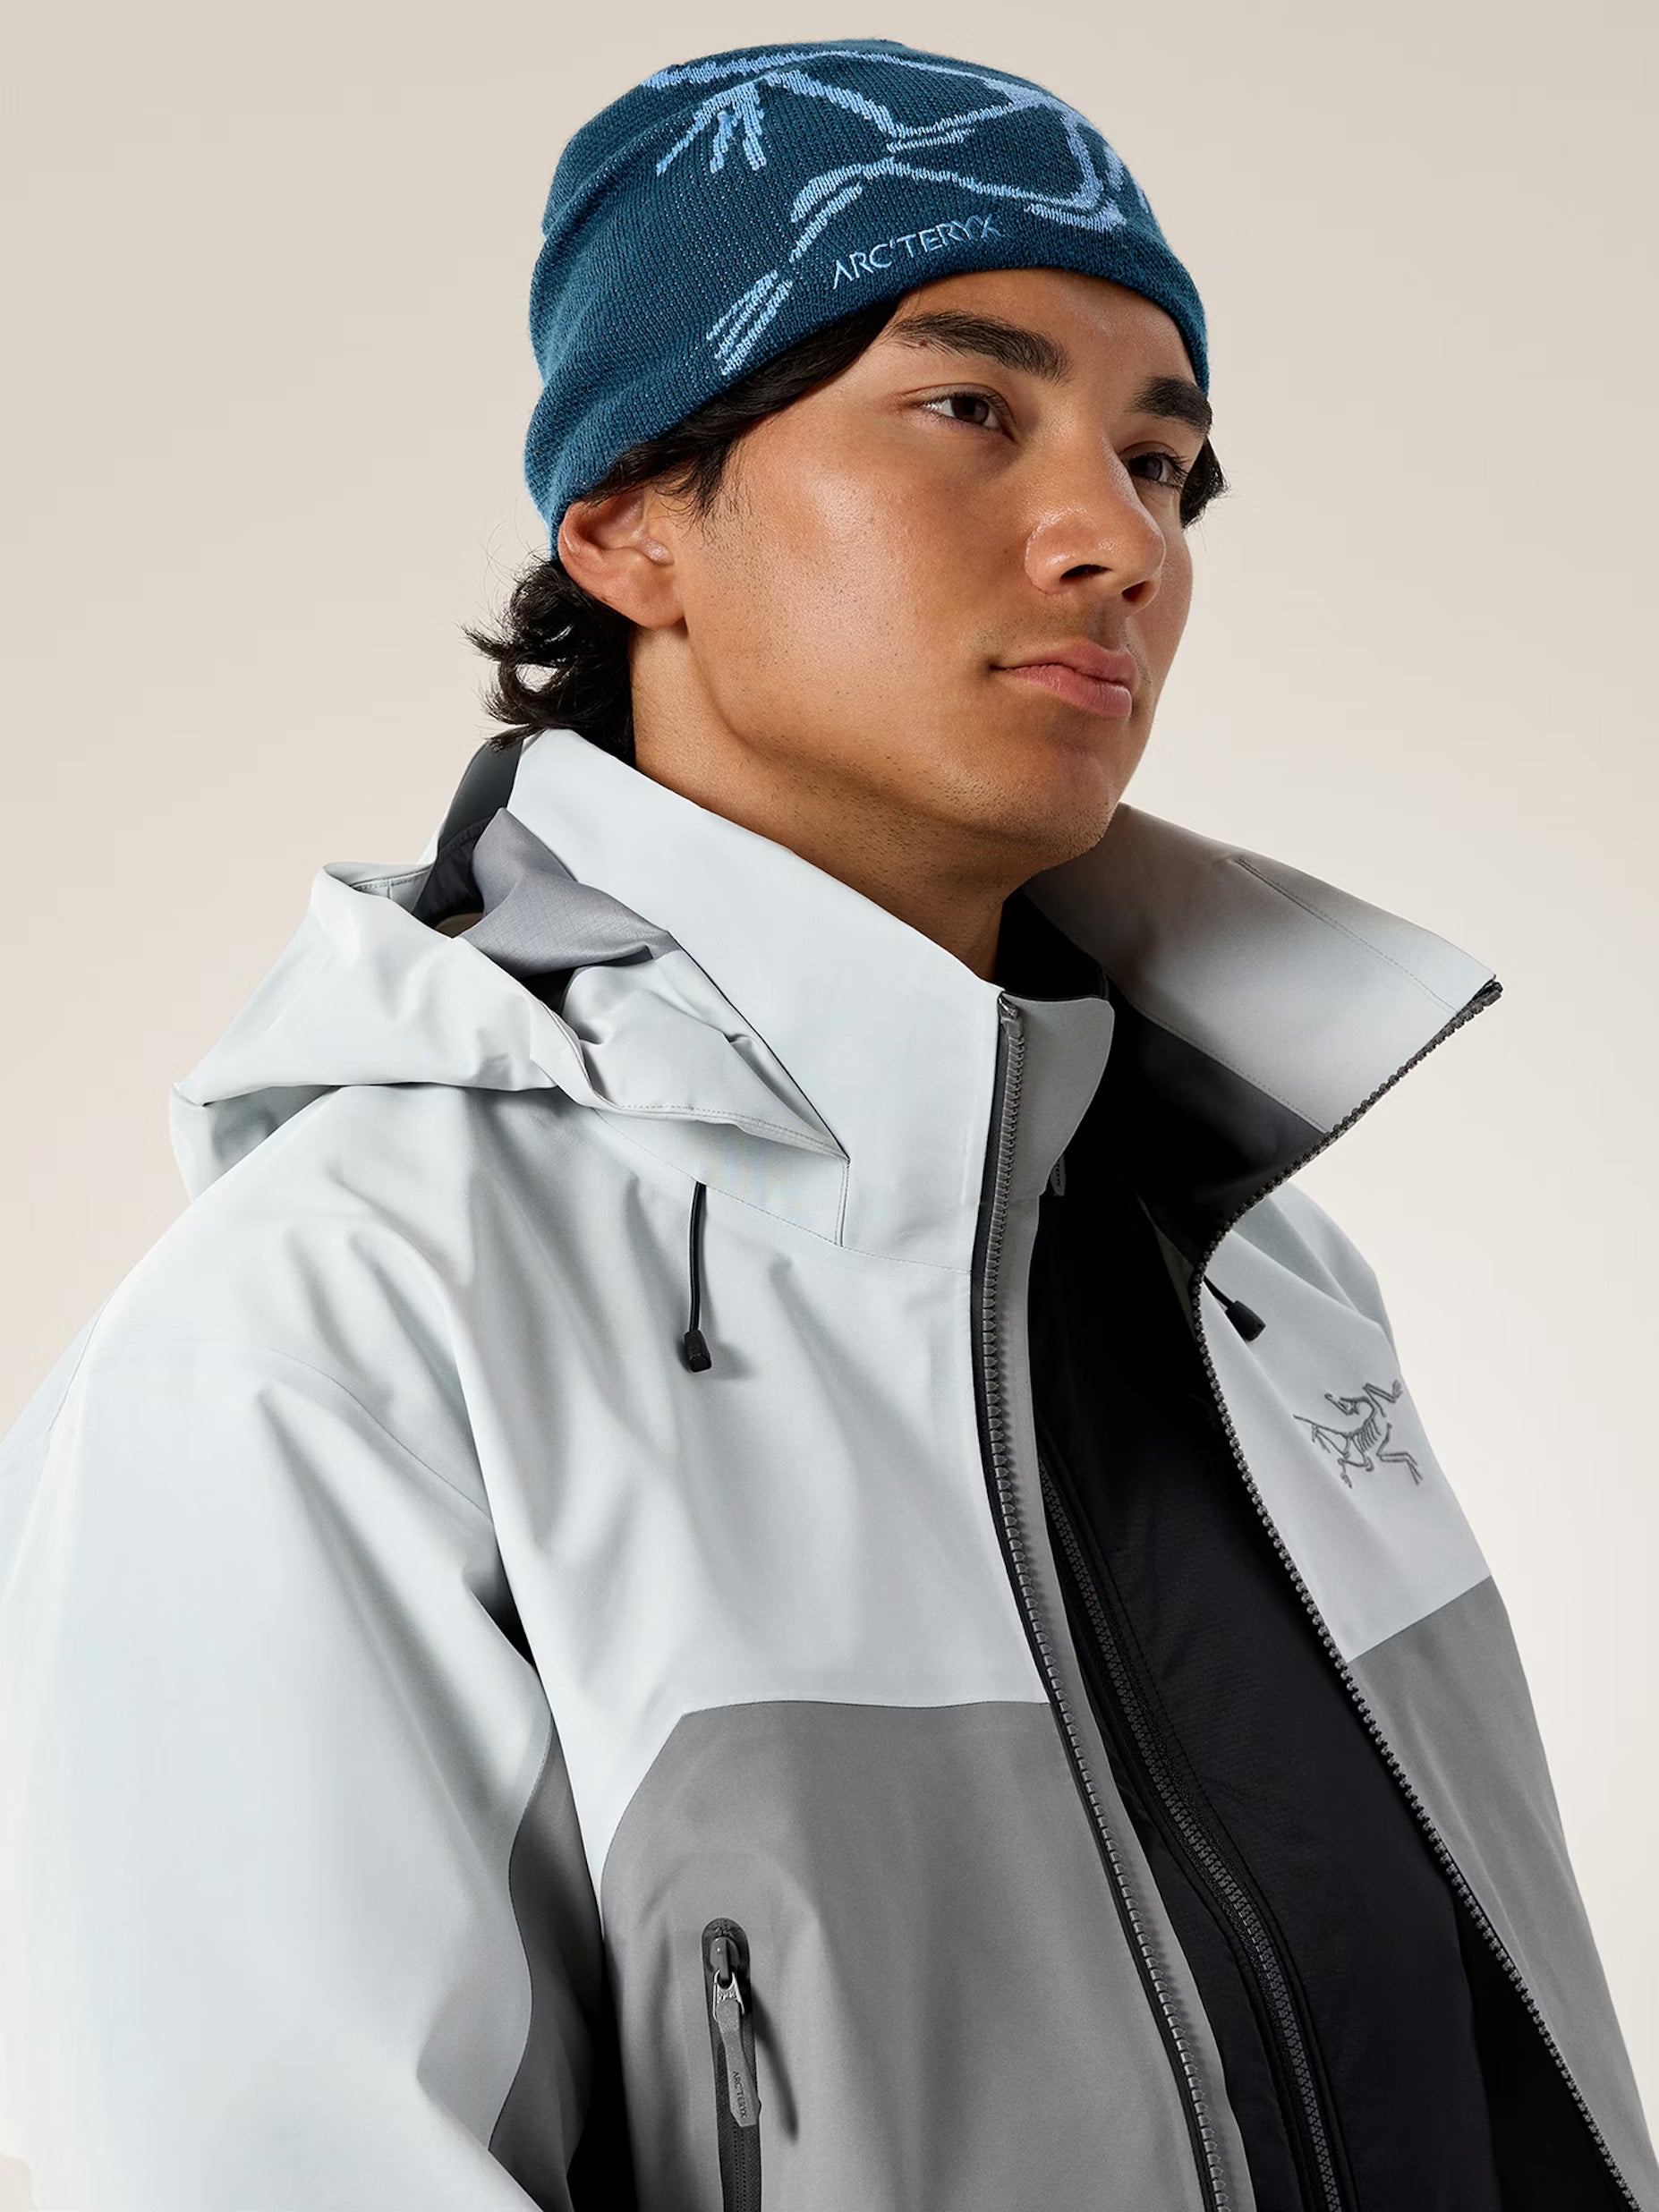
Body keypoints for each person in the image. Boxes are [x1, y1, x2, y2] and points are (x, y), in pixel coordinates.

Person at [0, 36, 1652, 2212]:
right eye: (967, 408)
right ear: (631, 523)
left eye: (1164, 462)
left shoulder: (1262, 1274)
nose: (1116, 539)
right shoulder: (335, 1334)